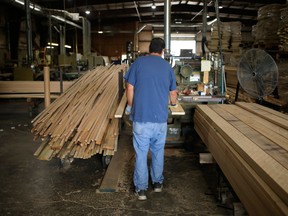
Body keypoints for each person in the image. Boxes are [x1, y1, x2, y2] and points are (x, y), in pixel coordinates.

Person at [124, 37, 177, 201]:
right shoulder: (167, 67)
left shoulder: (138, 63)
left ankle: (141, 190)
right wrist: (171, 102)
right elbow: (173, 96)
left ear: (149, 49)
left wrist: (131, 106)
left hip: (141, 118)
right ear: (162, 51)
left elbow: (130, 87)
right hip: (160, 119)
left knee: (141, 154)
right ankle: (158, 184)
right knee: (158, 152)